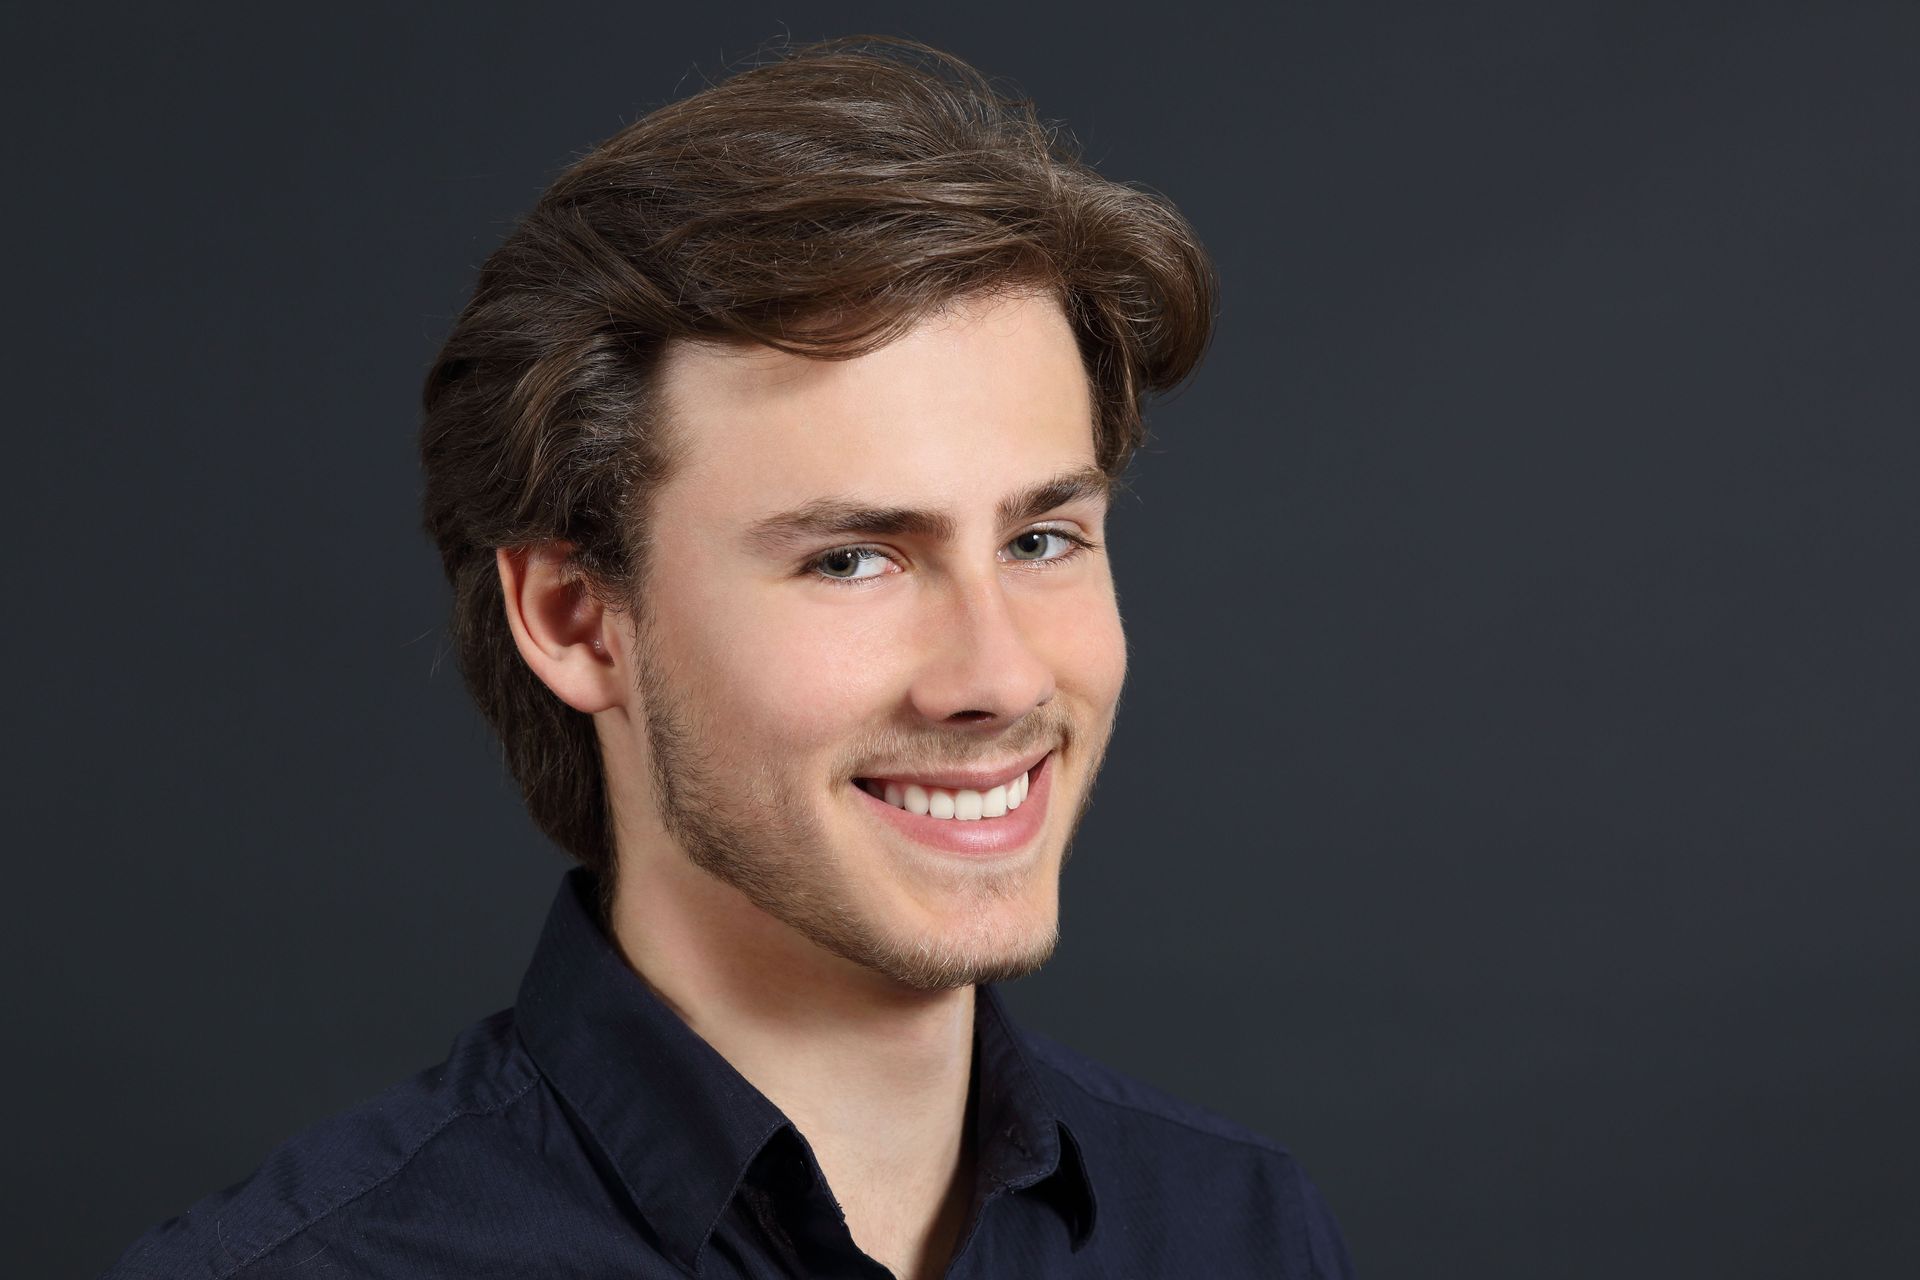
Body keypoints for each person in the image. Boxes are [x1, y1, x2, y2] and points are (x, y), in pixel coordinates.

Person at [105, 36, 1353, 1279]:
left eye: (1040, 536)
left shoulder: (1238, 1228)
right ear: (577, 619)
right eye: (853, 558)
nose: (1002, 676)